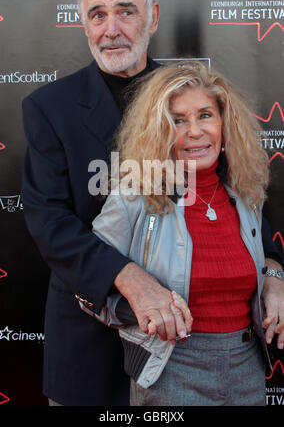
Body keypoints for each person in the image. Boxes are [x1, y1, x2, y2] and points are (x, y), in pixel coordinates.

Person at [21, 0, 283, 406]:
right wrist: (128, 278)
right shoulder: (50, 107)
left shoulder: (188, 95)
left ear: (154, 17)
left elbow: (242, 195)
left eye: (126, 12)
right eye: (97, 15)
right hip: (92, 338)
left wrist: (272, 269)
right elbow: (49, 222)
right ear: (83, 23)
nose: (111, 30)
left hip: (186, 353)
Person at [91, 62, 284, 406]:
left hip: (248, 370)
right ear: (159, 132)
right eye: (178, 120)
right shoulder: (134, 197)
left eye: (205, 115)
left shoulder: (245, 196)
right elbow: (85, 285)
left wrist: (275, 276)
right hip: (169, 372)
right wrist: (142, 310)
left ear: (226, 126)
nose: (194, 131)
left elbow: (265, 258)